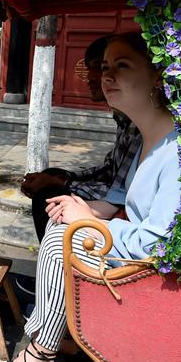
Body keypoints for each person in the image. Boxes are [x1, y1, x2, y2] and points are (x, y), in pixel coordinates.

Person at [0, 32, 181, 362]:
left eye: (122, 66)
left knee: (59, 240)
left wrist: (86, 219)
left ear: (157, 75)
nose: (107, 76)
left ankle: (42, 353)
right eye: (105, 68)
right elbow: (122, 190)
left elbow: (159, 244)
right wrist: (85, 209)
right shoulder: (150, 137)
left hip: (160, 277)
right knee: (61, 221)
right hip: (140, 256)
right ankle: (59, 328)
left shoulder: (177, 153)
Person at [21, 35, 142, 241]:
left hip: (123, 213)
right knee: (52, 178)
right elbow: (111, 169)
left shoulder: (143, 124)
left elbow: (119, 193)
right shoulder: (124, 118)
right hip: (114, 198)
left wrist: (64, 184)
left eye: (120, 67)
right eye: (102, 68)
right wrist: (63, 177)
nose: (98, 77)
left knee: (48, 195)